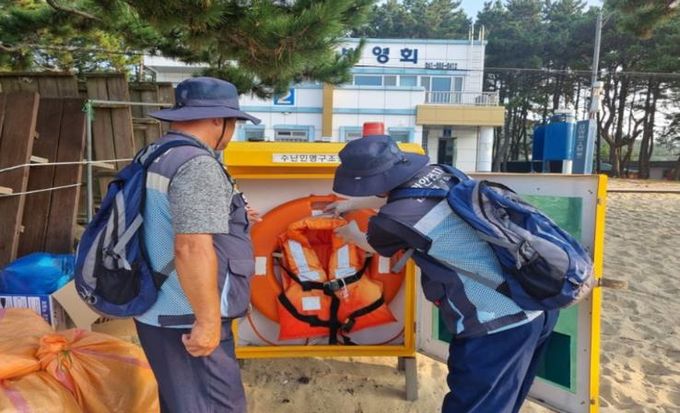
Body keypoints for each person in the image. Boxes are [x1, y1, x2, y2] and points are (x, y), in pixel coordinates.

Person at [329, 135, 559, 413]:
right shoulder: (444, 172)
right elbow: (419, 199)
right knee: (502, 404)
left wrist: (351, 234)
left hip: (496, 321)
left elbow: (377, 239)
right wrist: (352, 205)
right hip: (536, 300)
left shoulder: (390, 222)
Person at [134, 77, 260, 413]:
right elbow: (191, 247)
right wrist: (206, 322)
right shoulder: (197, 165)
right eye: (234, 123)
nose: (232, 132)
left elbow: (163, 216)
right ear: (219, 120)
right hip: (185, 317)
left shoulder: (157, 154)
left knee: (182, 404)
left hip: (159, 308)